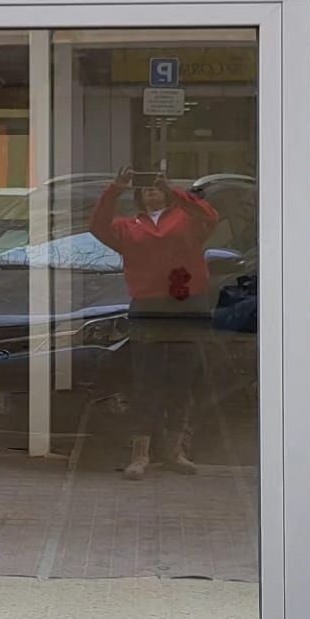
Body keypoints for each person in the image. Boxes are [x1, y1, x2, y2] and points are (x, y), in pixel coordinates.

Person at [88, 165, 219, 480]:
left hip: (187, 306)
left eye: (157, 188)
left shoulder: (187, 219)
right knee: (146, 383)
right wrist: (115, 189)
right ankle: (140, 454)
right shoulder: (127, 227)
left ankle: (175, 451)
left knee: (182, 381)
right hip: (148, 308)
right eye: (146, 189)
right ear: (139, 196)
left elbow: (210, 216)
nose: (152, 193)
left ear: (167, 192)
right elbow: (97, 225)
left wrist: (175, 190)